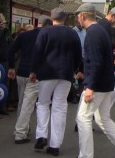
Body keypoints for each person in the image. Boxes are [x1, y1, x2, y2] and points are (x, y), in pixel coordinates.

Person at [75, 3, 115, 158]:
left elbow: (95, 61)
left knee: (83, 118)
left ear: (82, 15)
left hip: (98, 85)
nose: (77, 20)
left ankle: (86, 155)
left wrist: (90, 87)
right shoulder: (100, 30)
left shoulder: (93, 33)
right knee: (103, 119)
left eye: (77, 16)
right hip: (106, 83)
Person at [30, 9, 81, 156]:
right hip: (66, 73)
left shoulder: (44, 32)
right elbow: (78, 54)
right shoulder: (72, 33)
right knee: (59, 107)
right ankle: (55, 144)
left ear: (51, 18)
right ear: (65, 18)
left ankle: (41, 135)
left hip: (47, 72)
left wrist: (33, 71)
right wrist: (74, 69)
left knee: (43, 103)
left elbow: (37, 52)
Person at [8, 15, 52, 144]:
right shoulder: (46, 37)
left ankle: (21, 129)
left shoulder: (24, 35)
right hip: (34, 74)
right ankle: (20, 133)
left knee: (22, 103)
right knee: (29, 105)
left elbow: (11, 50)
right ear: (48, 25)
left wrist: (11, 67)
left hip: (21, 72)